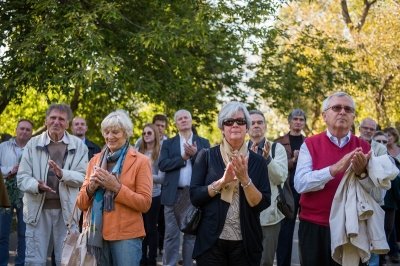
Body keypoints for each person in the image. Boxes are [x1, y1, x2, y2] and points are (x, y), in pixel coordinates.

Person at [294, 92, 374, 265]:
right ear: (324, 116)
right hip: (315, 226)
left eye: (348, 109)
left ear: (353, 117)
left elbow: (377, 194)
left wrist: (362, 174)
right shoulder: (310, 144)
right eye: (337, 108)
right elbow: (300, 184)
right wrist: (335, 168)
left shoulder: (364, 147)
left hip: (352, 227)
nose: (342, 112)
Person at [190, 101, 271, 266]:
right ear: (222, 127)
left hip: (246, 243)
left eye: (240, 121)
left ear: (246, 128)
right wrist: (222, 182)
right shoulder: (205, 156)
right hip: (211, 241)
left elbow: (262, 204)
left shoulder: (258, 162)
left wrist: (245, 180)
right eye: (229, 121)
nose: (235, 125)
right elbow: (195, 197)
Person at [76, 110, 152, 266]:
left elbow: (145, 203)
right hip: (95, 235)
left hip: (126, 236)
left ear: (126, 133)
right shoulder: (94, 161)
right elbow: (81, 203)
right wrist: (91, 188)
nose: (110, 136)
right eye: (106, 132)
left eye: (115, 132)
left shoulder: (141, 161)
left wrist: (116, 188)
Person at [17, 104, 88, 265]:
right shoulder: (32, 144)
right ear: (46, 121)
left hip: (68, 212)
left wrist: (63, 174)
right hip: (37, 210)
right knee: (35, 261)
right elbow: (22, 178)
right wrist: (36, 185)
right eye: (53, 118)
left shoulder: (79, 146)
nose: (57, 122)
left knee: (68, 261)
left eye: (61, 119)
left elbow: (84, 177)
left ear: (67, 124)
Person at [158, 109, 210, 266]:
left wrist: (195, 154)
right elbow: (162, 164)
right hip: (173, 194)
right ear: (176, 123)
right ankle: (169, 264)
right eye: (179, 118)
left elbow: (209, 166)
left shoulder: (203, 143)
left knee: (191, 235)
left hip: (194, 195)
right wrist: (182, 158)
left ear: (191, 120)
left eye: (186, 117)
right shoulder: (168, 143)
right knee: (171, 235)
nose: (183, 120)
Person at [247, 110, 287, 266]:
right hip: (246, 215)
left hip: (270, 217)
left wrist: (267, 159)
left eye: (260, 122)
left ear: (265, 126)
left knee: (266, 261)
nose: (256, 125)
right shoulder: (241, 148)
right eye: (252, 123)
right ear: (247, 127)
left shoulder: (277, 149)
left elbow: (280, 177)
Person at [275, 108, 306, 266]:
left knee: (305, 232)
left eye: (301, 120)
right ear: (289, 121)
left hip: (306, 191)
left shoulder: (309, 142)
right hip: (287, 191)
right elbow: (276, 166)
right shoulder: (279, 142)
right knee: (285, 232)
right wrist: (293, 160)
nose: (298, 122)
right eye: (296, 119)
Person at [0, 119, 33, 266]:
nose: (24, 131)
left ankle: (21, 263)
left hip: (26, 195)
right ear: (16, 130)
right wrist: (9, 171)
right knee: (2, 234)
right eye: (22, 128)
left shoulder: (34, 149)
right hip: (5, 194)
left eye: (27, 130)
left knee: (24, 233)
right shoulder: (3, 147)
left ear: (31, 133)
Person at [138, 123, 164, 266]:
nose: (146, 135)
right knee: (140, 228)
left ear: (155, 134)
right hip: (138, 194)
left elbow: (162, 178)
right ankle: (142, 258)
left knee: (151, 228)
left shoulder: (160, 152)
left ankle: (152, 259)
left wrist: (145, 175)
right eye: (144, 133)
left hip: (154, 195)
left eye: (149, 133)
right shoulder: (138, 150)